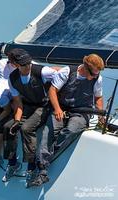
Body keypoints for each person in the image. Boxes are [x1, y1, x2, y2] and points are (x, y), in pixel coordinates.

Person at [37, 54, 105, 187]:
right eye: (93, 73)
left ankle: (47, 158)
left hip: (82, 111)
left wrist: (101, 115)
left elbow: (98, 98)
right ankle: (41, 169)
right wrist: (57, 109)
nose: (95, 76)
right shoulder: (67, 72)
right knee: (47, 133)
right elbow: (52, 90)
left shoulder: (98, 78)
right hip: (61, 108)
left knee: (72, 129)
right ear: (85, 67)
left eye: (97, 74)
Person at [1, 48, 58, 187]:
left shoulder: (42, 71)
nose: (27, 66)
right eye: (23, 64)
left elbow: (62, 72)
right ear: (14, 64)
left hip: (43, 106)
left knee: (26, 128)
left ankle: (32, 167)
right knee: (8, 127)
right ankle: (12, 163)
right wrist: (17, 120)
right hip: (27, 106)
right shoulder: (12, 78)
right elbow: (18, 102)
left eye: (28, 63)